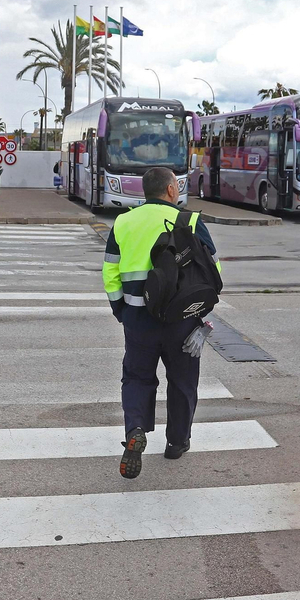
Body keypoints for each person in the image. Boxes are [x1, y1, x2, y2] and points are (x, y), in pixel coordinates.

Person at [101, 166, 221, 479]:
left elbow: (110, 272)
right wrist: (201, 316)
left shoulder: (124, 222)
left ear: (145, 191)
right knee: (182, 382)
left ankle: (136, 429)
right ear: (170, 190)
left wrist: (121, 311)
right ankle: (177, 442)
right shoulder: (191, 221)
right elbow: (213, 273)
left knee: (137, 377)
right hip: (182, 320)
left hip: (138, 318)